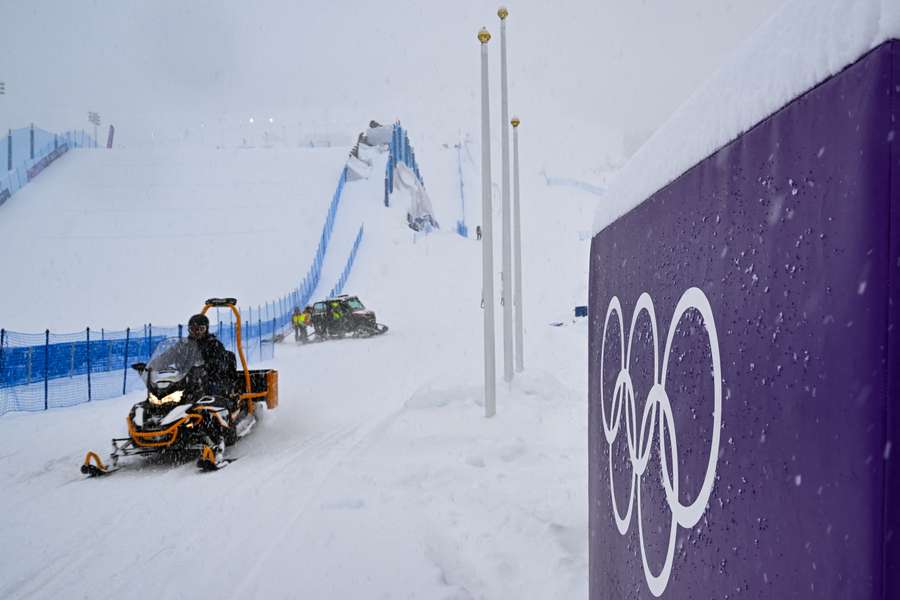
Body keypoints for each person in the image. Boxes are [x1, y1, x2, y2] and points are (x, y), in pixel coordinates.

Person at [187, 313, 233, 396]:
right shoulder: (185, 345)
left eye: (201, 329)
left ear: (206, 329)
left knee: (209, 389)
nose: (197, 332)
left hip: (211, 379)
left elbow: (219, 363)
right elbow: (171, 355)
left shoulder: (214, 344)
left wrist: (205, 367)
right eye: (193, 329)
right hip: (190, 379)